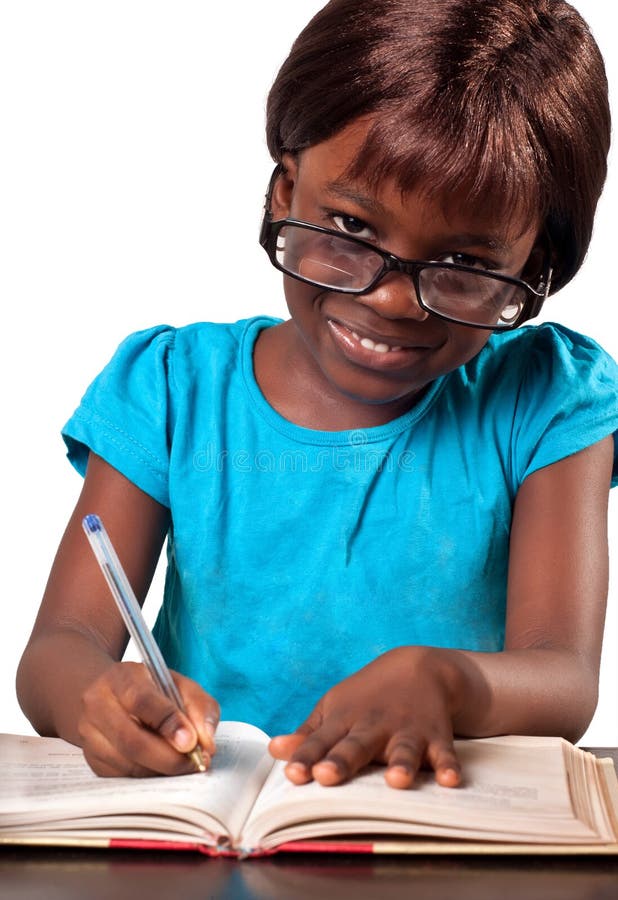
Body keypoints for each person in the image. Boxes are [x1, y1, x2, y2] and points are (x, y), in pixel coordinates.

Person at [17, 0, 618, 790]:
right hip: (207, 833)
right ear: (284, 192)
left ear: (535, 262)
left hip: (440, 840)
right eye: (352, 228)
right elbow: (56, 649)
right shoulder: (172, 389)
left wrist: (447, 681)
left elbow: (564, 680)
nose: (393, 301)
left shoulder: (544, 397)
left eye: (466, 263)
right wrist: (93, 695)